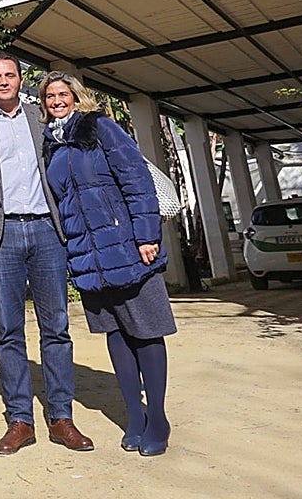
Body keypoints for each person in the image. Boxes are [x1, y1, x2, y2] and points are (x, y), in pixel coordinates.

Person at [0, 53, 94, 455]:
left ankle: (61, 416)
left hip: (48, 231)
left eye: (9, 75)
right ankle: (20, 419)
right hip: (1, 234)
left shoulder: (40, 118)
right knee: (9, 332)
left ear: (20, 79)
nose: (3, 81)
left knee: (57, 328)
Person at [39, 70, 176, 457]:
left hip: (128, 247)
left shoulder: (99, 127)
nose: (57, 101)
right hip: (88, 257)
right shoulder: (51, 144)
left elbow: (136, 179)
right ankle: (134, 416)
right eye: (50, 97)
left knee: (146, 332)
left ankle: (159, 419)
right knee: (116, 335)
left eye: (63, 94)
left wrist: (147, 234)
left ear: (76, 96)